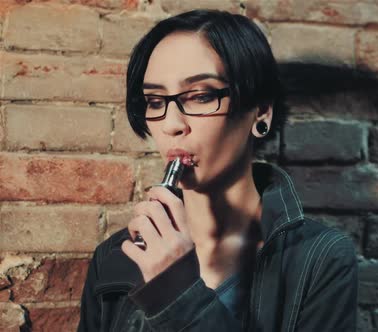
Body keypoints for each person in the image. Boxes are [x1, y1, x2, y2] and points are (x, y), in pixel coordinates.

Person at [77, 9, 358, 332]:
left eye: (200, 96)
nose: (171, 125)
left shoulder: (320, 258)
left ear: (261, 111)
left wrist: (178, 295)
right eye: (155, 101)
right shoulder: (114, 256)